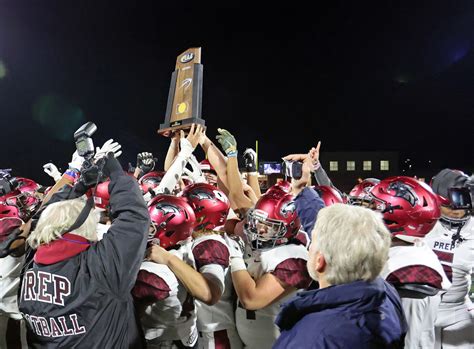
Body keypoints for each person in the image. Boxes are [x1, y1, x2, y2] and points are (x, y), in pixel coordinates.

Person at [19, 150, 150, 348]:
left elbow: (42, 215)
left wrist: (79, 186)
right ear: (83, 227)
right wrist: (116, 173)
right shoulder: (98, 266)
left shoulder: (31, 263)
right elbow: (134, 217)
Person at [274, 204, 407, 349]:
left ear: (320, 261)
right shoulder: (386, 293)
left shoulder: (310, 338)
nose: (309, 247)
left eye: (312, 242)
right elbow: (348, 234)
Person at [371, 176, 451, 349]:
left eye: (375, 207)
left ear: (395, 218)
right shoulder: (412, 249)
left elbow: (407, 340)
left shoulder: (411, 271)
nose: (370, 215)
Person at [227, 188, 312, 349]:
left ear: (289, 228)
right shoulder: (260, 244)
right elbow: (234, 194)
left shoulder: (295, 259)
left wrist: (235, 256)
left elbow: (251, 299)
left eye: (269, 226)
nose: (260, 229)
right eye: (259, 222)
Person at [424, 168, 474, 349]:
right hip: (423, 311)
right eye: (450, 206)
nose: (456, 212)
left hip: (458, 309)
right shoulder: (422, 225)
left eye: (461, 205)